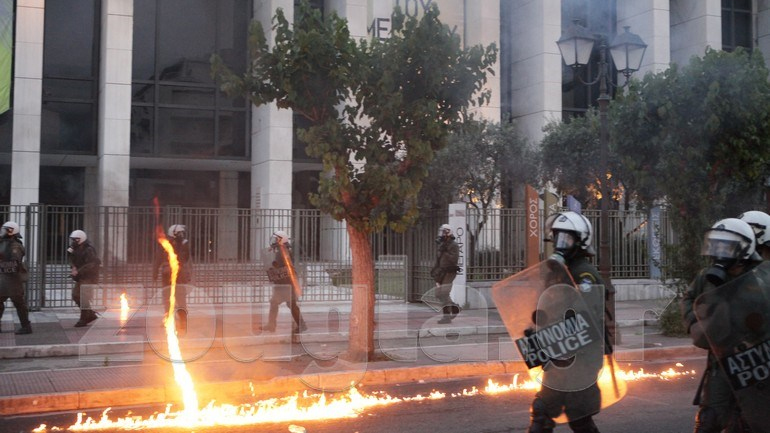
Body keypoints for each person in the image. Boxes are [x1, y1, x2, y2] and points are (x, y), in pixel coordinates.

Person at [527, 211, 609, 433]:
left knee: (579, 418)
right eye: (558, 237)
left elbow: (587, 317)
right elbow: (546, 306)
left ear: (581, 241)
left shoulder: (585, 275)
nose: (561, 243)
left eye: (568, 238)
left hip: (581, 359)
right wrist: (536, 327)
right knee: (541, 413)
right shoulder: (556, 272)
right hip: (559, 354)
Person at [680, 218, 761, 433]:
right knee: (710, 419)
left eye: (725, 246)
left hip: (753, 360)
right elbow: (688, 299)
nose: (718, 251)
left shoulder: (759, 278)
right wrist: (695, 323)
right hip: (720, 362)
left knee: (750, 419)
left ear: (743, 250)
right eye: (715, 245)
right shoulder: (706, 277)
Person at [262, 230, 306, 333]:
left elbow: (280, 266)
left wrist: (272, 267)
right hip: (283, 283)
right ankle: (271, 325)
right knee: (276, 303)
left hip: (286, 283)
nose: (274, 241)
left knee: (291, 304)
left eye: (276, 239)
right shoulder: (281, 250)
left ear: (281, 240)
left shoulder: (283, 251)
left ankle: (301, 325)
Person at [153, 224, 192, 332]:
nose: (181, 235)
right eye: (179, 233)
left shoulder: (184, 244)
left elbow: (185, 258)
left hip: (179, 275)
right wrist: (155, 271)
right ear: (173, 234)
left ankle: (183, 321)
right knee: (167, 299)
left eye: (182, 233)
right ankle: (168, 320)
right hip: (167, 276)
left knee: (180, 299)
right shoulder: (165, 244)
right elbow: (158, 258)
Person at [0, 222, 32, 335]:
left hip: (13, 279)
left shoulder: (15, 246)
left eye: (5, 230)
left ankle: (26, 326)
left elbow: (14, 263)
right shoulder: (3, 242)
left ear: (11, 231)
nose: (2, 232)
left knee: (19, 303)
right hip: (4, 279)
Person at [68, 230, 101, 327]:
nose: (73, 241)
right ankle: (90, 314)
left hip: (88, 277)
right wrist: (73, 267)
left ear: (81, 239)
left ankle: (83, 318)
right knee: (75, 295)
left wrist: (79, 271)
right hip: (81, 276)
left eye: (75, 239)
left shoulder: (88, 249)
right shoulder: (75, 248)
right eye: (72, 239)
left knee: (84, 298)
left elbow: (91, 264)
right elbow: (71, 259)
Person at [431, 224, 461, 324]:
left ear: (449, 232)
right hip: (441, 271)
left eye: (444, 232)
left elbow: (453, 259)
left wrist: (446, 251)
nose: (442, 234)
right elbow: (438, 259)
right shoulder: (442, 245)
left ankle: (446, 317)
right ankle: (455, 307)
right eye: (441, 232)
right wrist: (434, 270)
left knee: (444, 292)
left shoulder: (453, 245)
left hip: (450, 272)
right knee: (438, 294)